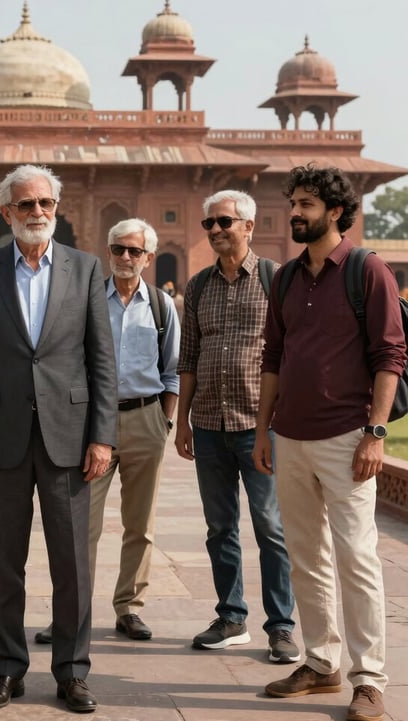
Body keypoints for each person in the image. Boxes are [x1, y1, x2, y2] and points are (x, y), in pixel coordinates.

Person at [0, 164, 117, 714]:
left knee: (72, 563)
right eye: (26, 205)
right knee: (5, 562)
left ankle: (72, 672)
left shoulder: (85, 268)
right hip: (0, 440)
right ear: (6, 213)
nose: (38, 213)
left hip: (69, 438)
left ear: (57, 208)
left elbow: (102, 361)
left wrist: (103, 436)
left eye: (46, 203)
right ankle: (7, 670)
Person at [254, 164, 405, 721]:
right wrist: (264, 428)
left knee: (357, 558)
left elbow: (390, 355)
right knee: (306, 557)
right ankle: (321, 663)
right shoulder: (288, 277)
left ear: (336, 211)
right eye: (293, 202)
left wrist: (375, 432)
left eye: (307, 204)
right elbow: (274, 356)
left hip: (347, 437)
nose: (295, 212)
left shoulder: (367, 271)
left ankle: (368, 680)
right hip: (290, 437)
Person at [35, 217, 180, 645]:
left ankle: (130, 608)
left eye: (135, 251)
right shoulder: (84, 299)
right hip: (90, 424)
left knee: (141, 523)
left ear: (149, 258)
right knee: (79, 524)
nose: (126, 258)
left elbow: (171, 370)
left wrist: (164, 422)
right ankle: (71, 613)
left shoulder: (160, 305)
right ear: (108, 252)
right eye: (118, 249)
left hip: (144, 417)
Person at [175, 189, 299, 664]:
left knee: (270, 527)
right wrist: (182, 421)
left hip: (259, 425)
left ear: (249, 226)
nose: (216, 230)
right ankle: (230, 617)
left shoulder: (276, 279)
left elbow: (291, 352)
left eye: (225, 222)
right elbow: (188, 358)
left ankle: (281, 627)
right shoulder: (199, 285)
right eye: (209, 224)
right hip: (209, 423)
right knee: (219, 526)